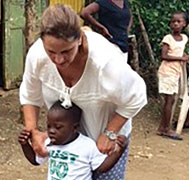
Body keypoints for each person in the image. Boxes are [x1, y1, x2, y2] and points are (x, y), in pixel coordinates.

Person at [19, 4, 147, 180]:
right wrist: (33, 131)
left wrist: (110, 133)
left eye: (66, 51)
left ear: (79, 39)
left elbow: (137, 95)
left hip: (105, 142)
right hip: (68, 142)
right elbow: (29, 95)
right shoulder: (37, 56)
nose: (58, 59)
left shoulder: (105, 61)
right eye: (51, 52)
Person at [18, 101, 127, 180]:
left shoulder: (86, 145)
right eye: (49, 126)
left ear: (75, 127)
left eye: (58, 127)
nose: (51, 131)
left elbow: (101, 168)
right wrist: (25, 144)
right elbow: (35, 161)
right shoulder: (49, 143)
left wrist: (118, 152)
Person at [156, 11, 189, 141]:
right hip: (167, 72)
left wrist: (184, 57)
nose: (176, 24)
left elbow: (180, 51)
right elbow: (164, 56)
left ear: (185, 24)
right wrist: (181, 58)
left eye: (179, 21)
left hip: (175, 72)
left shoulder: (184, 38)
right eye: (173, 21)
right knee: (169, 100)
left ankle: (162, 127)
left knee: (171, 100)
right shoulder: (168, 38)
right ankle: (167, 129)